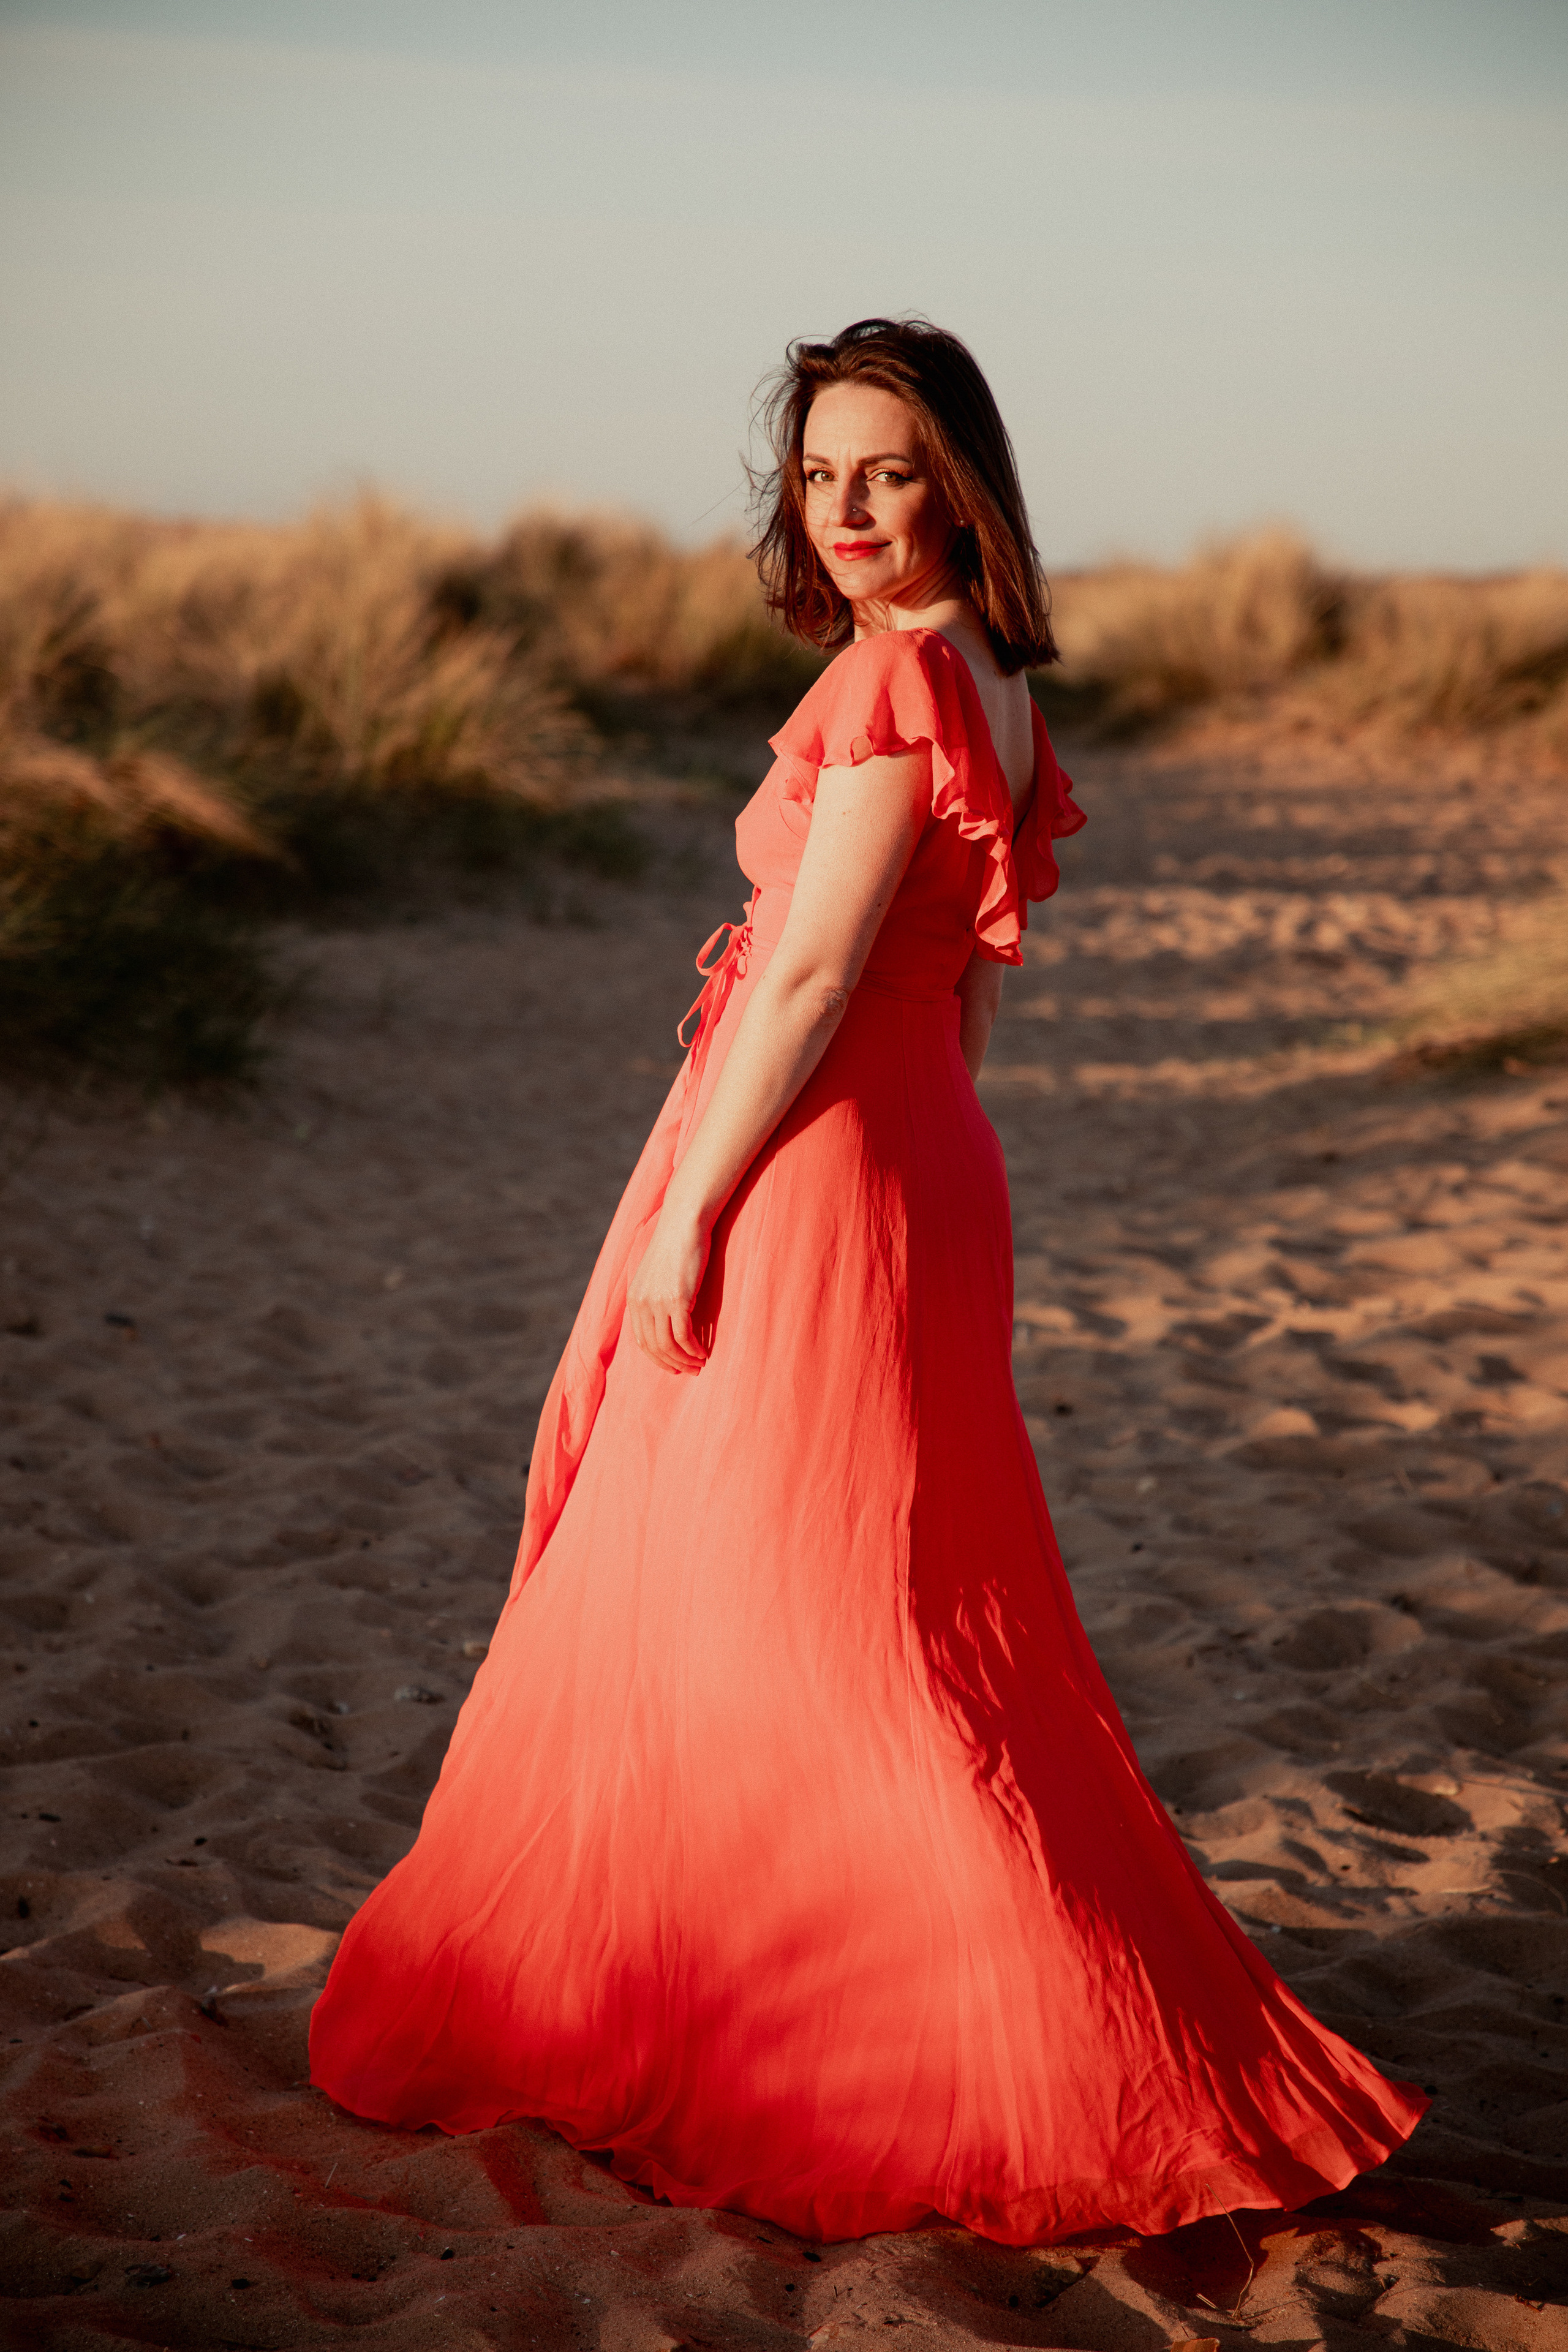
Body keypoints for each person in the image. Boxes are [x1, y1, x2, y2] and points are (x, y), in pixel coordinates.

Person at [310, 318, 1426, 2244]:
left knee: (797, 1610)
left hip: (815, 1158)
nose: (845, 509)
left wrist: (692, 1207)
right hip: (906, 1159)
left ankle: (869, 2034)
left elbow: (819, 976)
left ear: (959, 484)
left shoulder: (903, 677)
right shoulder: (988, 680)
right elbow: (965, 1001)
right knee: (871, 1595)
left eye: (886, 469)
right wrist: (904, 1176)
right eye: (818, 472)